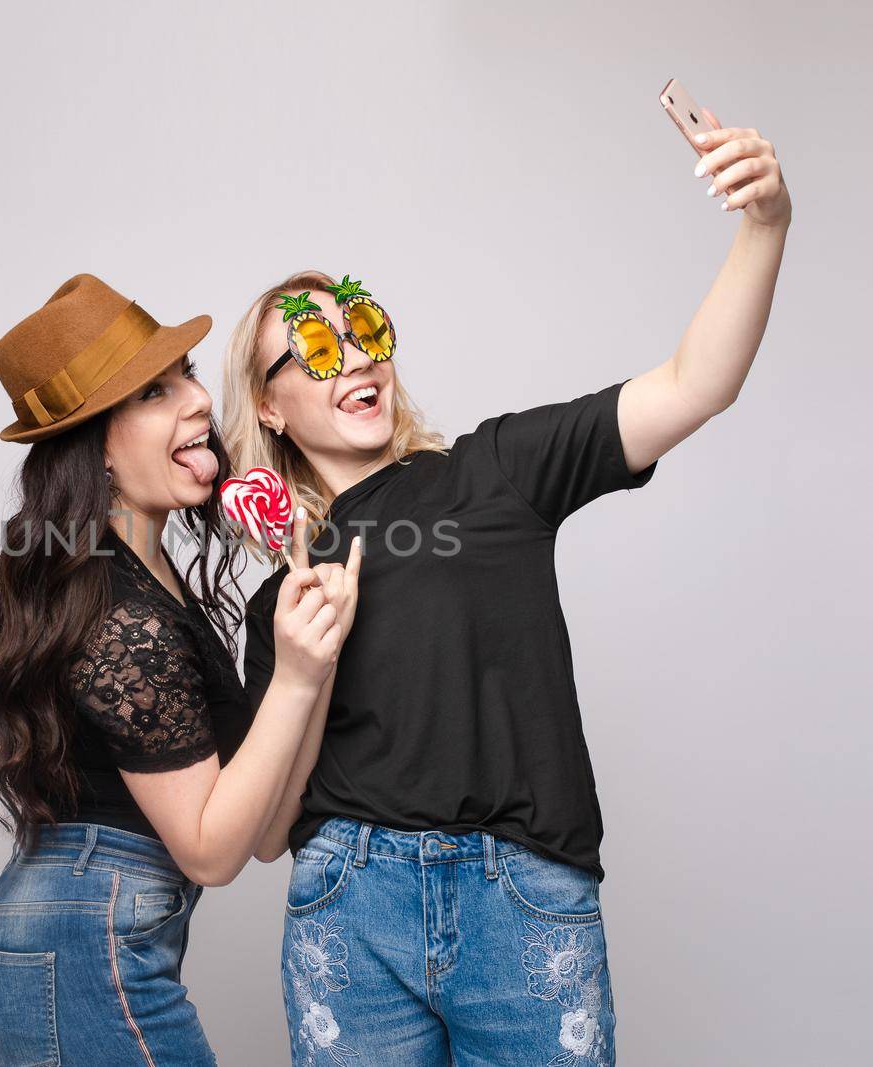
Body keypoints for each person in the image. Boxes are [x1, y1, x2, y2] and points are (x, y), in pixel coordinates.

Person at [220, 115, 790, 1065]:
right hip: (349, 906)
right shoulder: (280, 602)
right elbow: (272, 834)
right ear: (271, 406)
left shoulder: (496, 470)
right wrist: (301, 667)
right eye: (316, 347)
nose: (357, 356)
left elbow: (698, 383)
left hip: (519, 900)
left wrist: (764, 223)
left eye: (365, 328)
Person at [0, 273, 361, 1065]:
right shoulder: (117, 613)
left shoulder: (149, 581)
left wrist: (315, 664)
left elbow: (266, 832)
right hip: (75, 948)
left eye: (188, 374)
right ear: (95, 449)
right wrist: (298, 681)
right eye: (152, 391)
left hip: (84, 942)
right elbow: (209, 851)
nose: (199, 401)